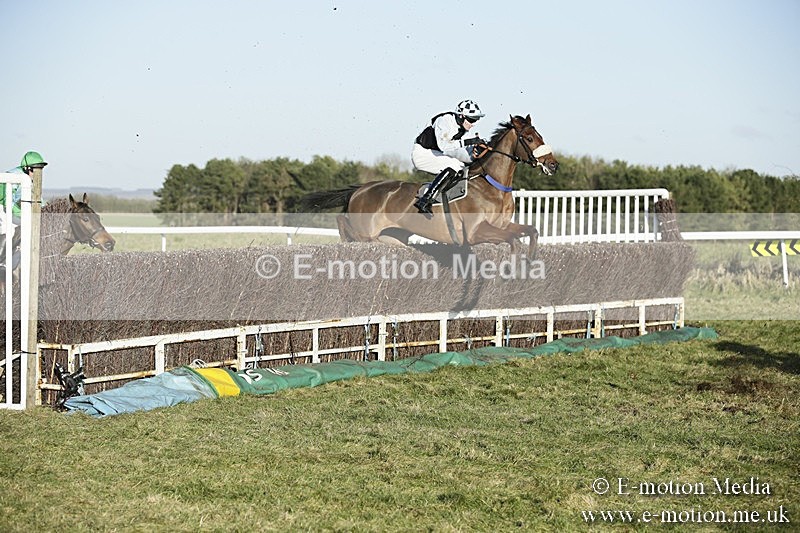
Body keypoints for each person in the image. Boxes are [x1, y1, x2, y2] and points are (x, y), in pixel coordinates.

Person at [412, 99, 486, 215]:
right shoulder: (445, 120)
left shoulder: (462, 128)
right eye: (471, 119)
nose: (473, 124)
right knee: (455, 165)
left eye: (476, 120)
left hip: (434, 153)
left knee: (462, 166)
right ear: (461, 116)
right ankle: (425, 200)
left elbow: (459, 152)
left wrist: (474, 154)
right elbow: (444, 146)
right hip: (423, 154)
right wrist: (468, 142)